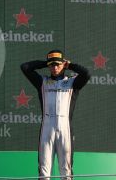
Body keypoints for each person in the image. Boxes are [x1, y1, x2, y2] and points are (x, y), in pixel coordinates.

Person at [20, 50, 90, 180]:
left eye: (58, 64)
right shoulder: (42, 82)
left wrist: (70, 65)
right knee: (44, 171)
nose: (55, 67)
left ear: (63, 64)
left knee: (66, 171)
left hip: (65, 129)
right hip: (47, 130)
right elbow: (25, 67)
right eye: (51, 65)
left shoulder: (72, 82)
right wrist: (45, 63)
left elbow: (86, 73)